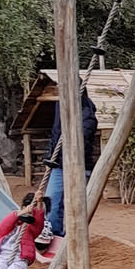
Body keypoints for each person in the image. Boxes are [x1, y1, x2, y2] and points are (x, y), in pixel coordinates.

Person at [45, 83, 99, 239]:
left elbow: (82, 137)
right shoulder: (60, 107)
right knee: (51, 201)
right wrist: (51, 156)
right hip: (58, 163)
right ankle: (54, 234)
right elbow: (56, 134)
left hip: (78, 165)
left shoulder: (87, 114)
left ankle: (74, 237)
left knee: (75, 205)